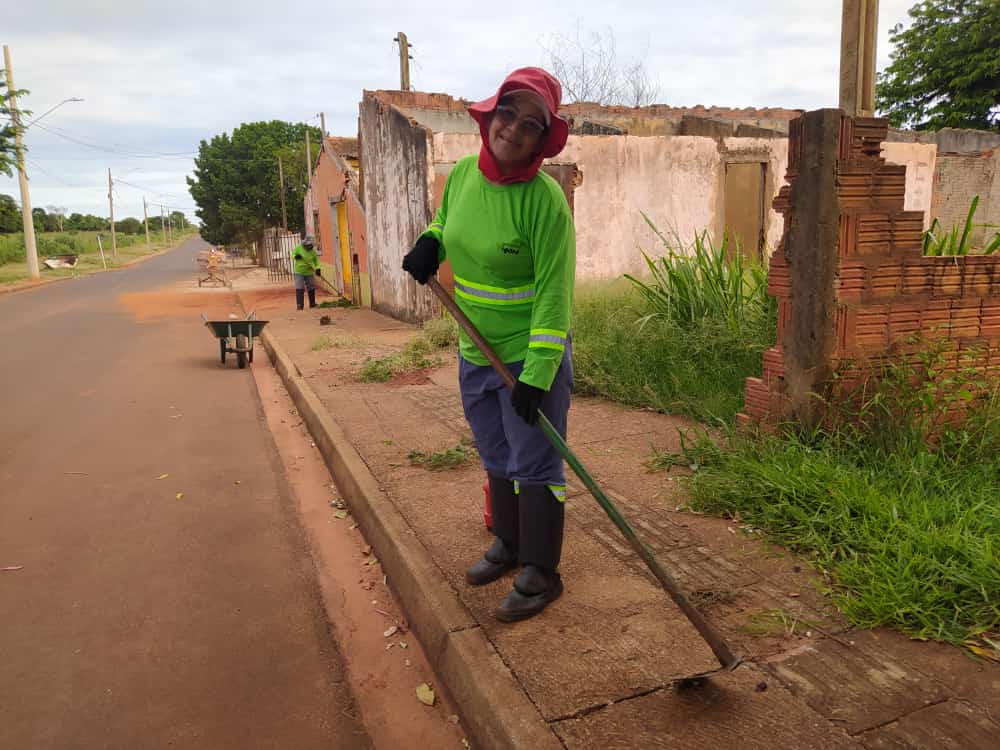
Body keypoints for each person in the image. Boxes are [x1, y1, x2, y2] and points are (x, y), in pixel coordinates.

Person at [402, 67, 575, 622]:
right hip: (475, 350)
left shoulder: (545, 203)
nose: (514, 129)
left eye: (532, 123)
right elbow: (447, 221)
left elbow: (554, 295)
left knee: (537, 462)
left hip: (527, 357)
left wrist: (539, 371)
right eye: (508, 112)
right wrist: (429, 242)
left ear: (543, 139)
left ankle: (541, 571)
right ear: (489, 114)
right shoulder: (460, 178)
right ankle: (508, 543)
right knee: (495, 453)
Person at [291, 235, 320, 310]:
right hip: (299, 271)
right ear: (305, 244)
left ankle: (312, 304)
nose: (310, 247)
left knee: (311, 286)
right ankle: (300, 305)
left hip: (309, 271)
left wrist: (318, 269)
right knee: (300, 287)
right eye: (309, 245)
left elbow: (316, 261)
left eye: (311, 245)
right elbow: (292, 254)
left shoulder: (313, 252)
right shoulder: (298, 247)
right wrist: (296, 256)